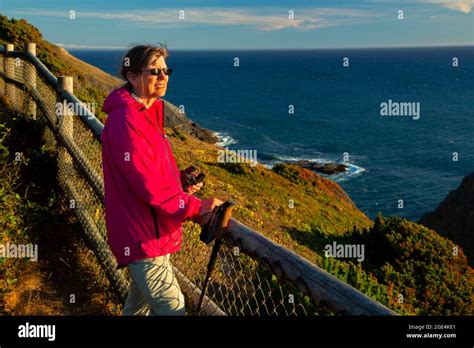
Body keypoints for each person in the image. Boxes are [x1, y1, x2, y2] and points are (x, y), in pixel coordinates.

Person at [101, 44, 222, 315]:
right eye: (154, 71)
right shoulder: (127, 120)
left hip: (147, 232)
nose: (163, 76)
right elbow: (148, 185)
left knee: (137, 308)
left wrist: (180, 184)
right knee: (173, 309)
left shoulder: (145, 113)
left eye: (166, 70)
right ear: (132, 77)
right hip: (142, 237)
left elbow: (148, 174)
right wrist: (195, 207)